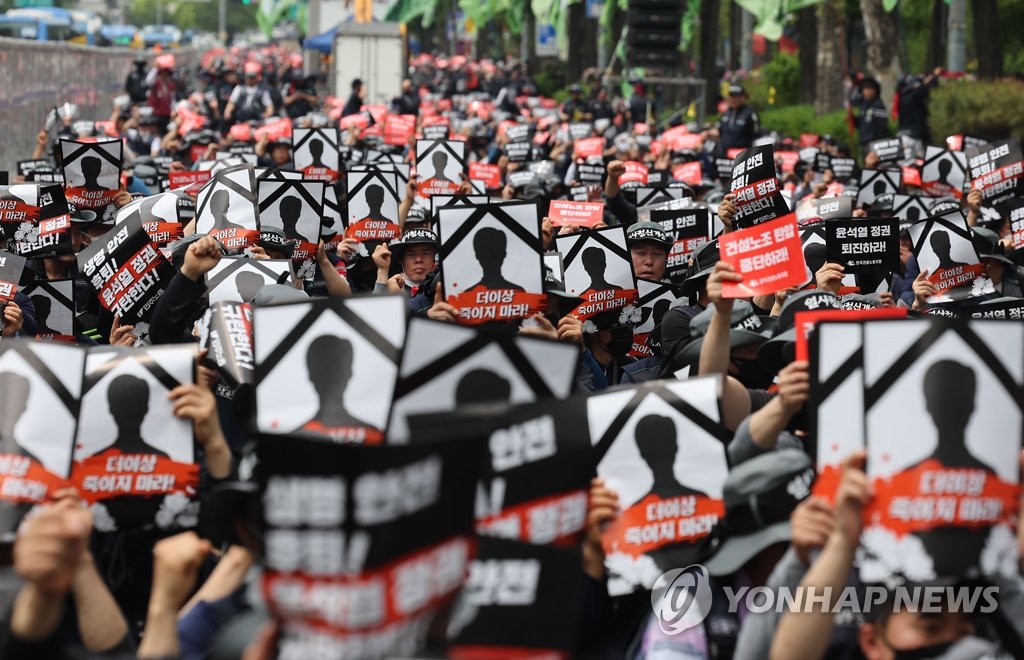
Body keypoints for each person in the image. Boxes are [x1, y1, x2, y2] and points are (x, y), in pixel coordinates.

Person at [301, 335, 376, 434]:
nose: (331, 375)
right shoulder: (370, 433)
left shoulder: (371, 434)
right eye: (324, 369)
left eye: (337, 367)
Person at [106, 374, 170, 458]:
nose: (129, 411)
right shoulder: (161, 458)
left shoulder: (94, 461)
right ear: (146, 409)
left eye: (135, 405)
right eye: (124, 406)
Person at [466, 227, 525, 292]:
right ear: (504, 254)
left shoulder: (468, 294)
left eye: (494, 251)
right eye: (486, 251)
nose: (490, 255)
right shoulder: (518, 291)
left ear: (477, 256)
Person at [718, 84, 760, 154]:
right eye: (731, 96)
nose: (733, 99)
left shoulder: (750, 114)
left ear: (744, 97)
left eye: (736, 96)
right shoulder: (726, 113)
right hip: (724, 154)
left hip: (742, 156)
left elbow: (756, 136)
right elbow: (721, 132)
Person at [855, 77, 890, 146]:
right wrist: (853, 119)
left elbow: (882, 128)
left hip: (875, 143)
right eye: (864, 89)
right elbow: (861, 124)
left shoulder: (878, 105)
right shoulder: (863, 106)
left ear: (875, 91)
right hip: (864, 142)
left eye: (869, 89)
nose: (866, 92)